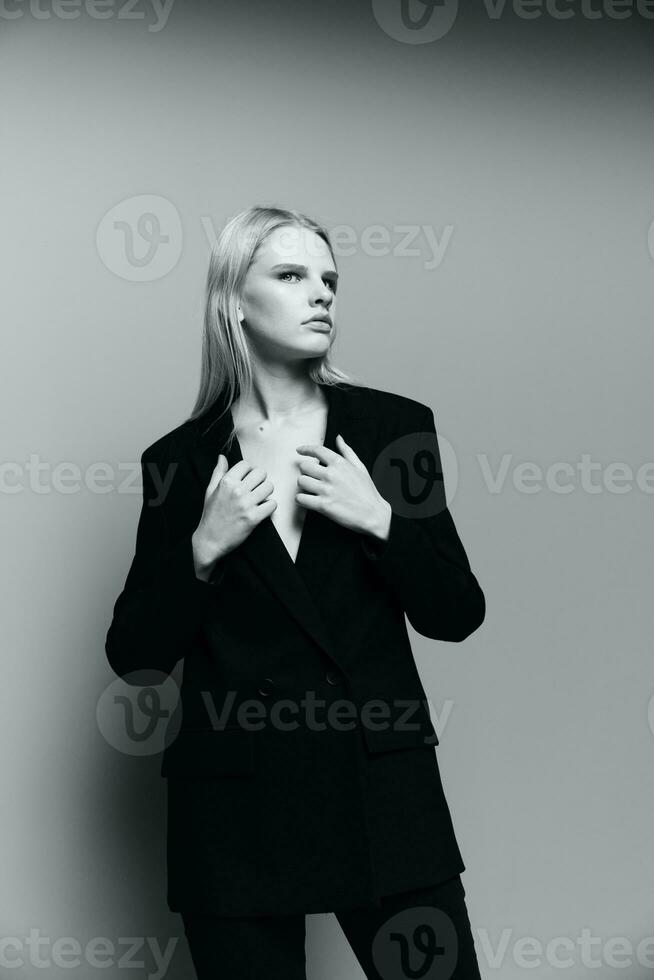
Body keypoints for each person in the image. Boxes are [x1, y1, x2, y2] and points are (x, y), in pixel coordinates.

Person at [105, 205, 486, 978]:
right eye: (291, 275)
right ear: (233, 303)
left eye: (330, 280)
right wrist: (203, 547)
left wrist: (380, 519)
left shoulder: (392, 430)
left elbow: (456, 612)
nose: (322, 296)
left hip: (380, 785)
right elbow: (134, 654)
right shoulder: (179, 461)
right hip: (234, 805)